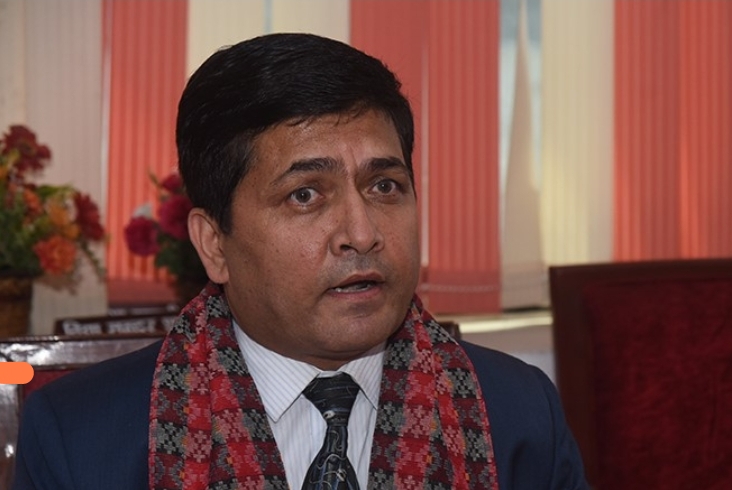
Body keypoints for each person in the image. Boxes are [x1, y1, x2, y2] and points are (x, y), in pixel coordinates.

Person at [13, 33, 589, 490]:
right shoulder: (82, 438)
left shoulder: (517, 413)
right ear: (214, 244)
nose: (361, 234)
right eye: (305, 195)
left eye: (385, 186)